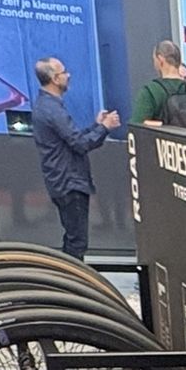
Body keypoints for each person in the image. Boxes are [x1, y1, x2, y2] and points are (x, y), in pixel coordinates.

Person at [29, 56, 119, 260]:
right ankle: (70, 276)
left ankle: (67, 274)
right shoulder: (52, 110)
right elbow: (80, 144)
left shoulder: (47, 106)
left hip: (63, 181)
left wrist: (97, 126)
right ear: (54, 78)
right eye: (64, 72)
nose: (68, 75)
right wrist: (104, 128)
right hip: (69, 182)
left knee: (73, 238)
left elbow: (72, 139)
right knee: (77, 242)